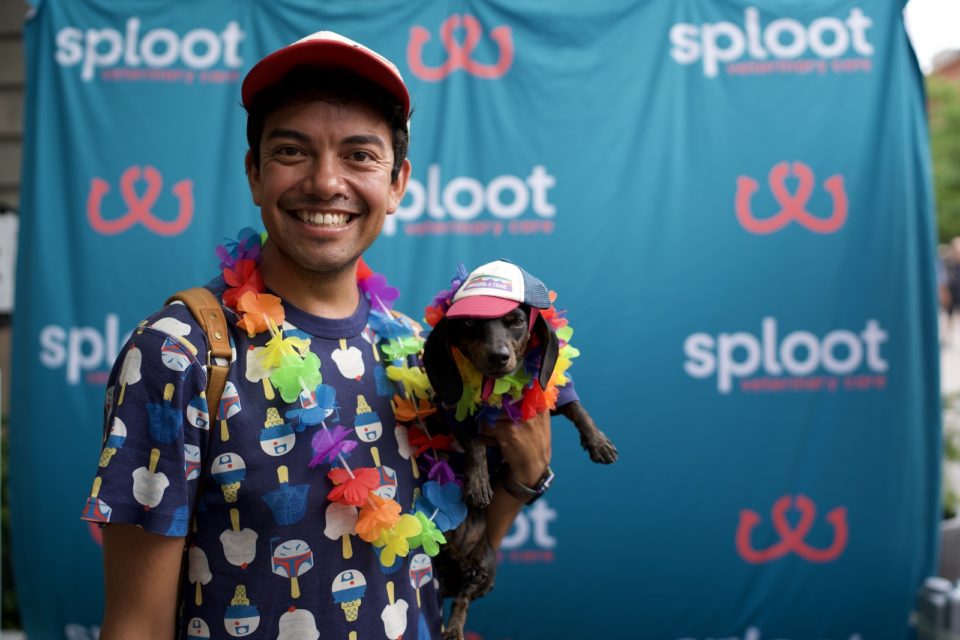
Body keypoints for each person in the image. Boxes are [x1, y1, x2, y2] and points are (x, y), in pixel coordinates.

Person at [81, 31, 551, 639]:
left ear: (398, 182)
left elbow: (448, 568)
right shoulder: (179, 352)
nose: (327, 182)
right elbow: (136, 625)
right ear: (254, 175)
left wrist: (520, 479)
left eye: (359, 155)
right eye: (291, 152)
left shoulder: (420, 353)